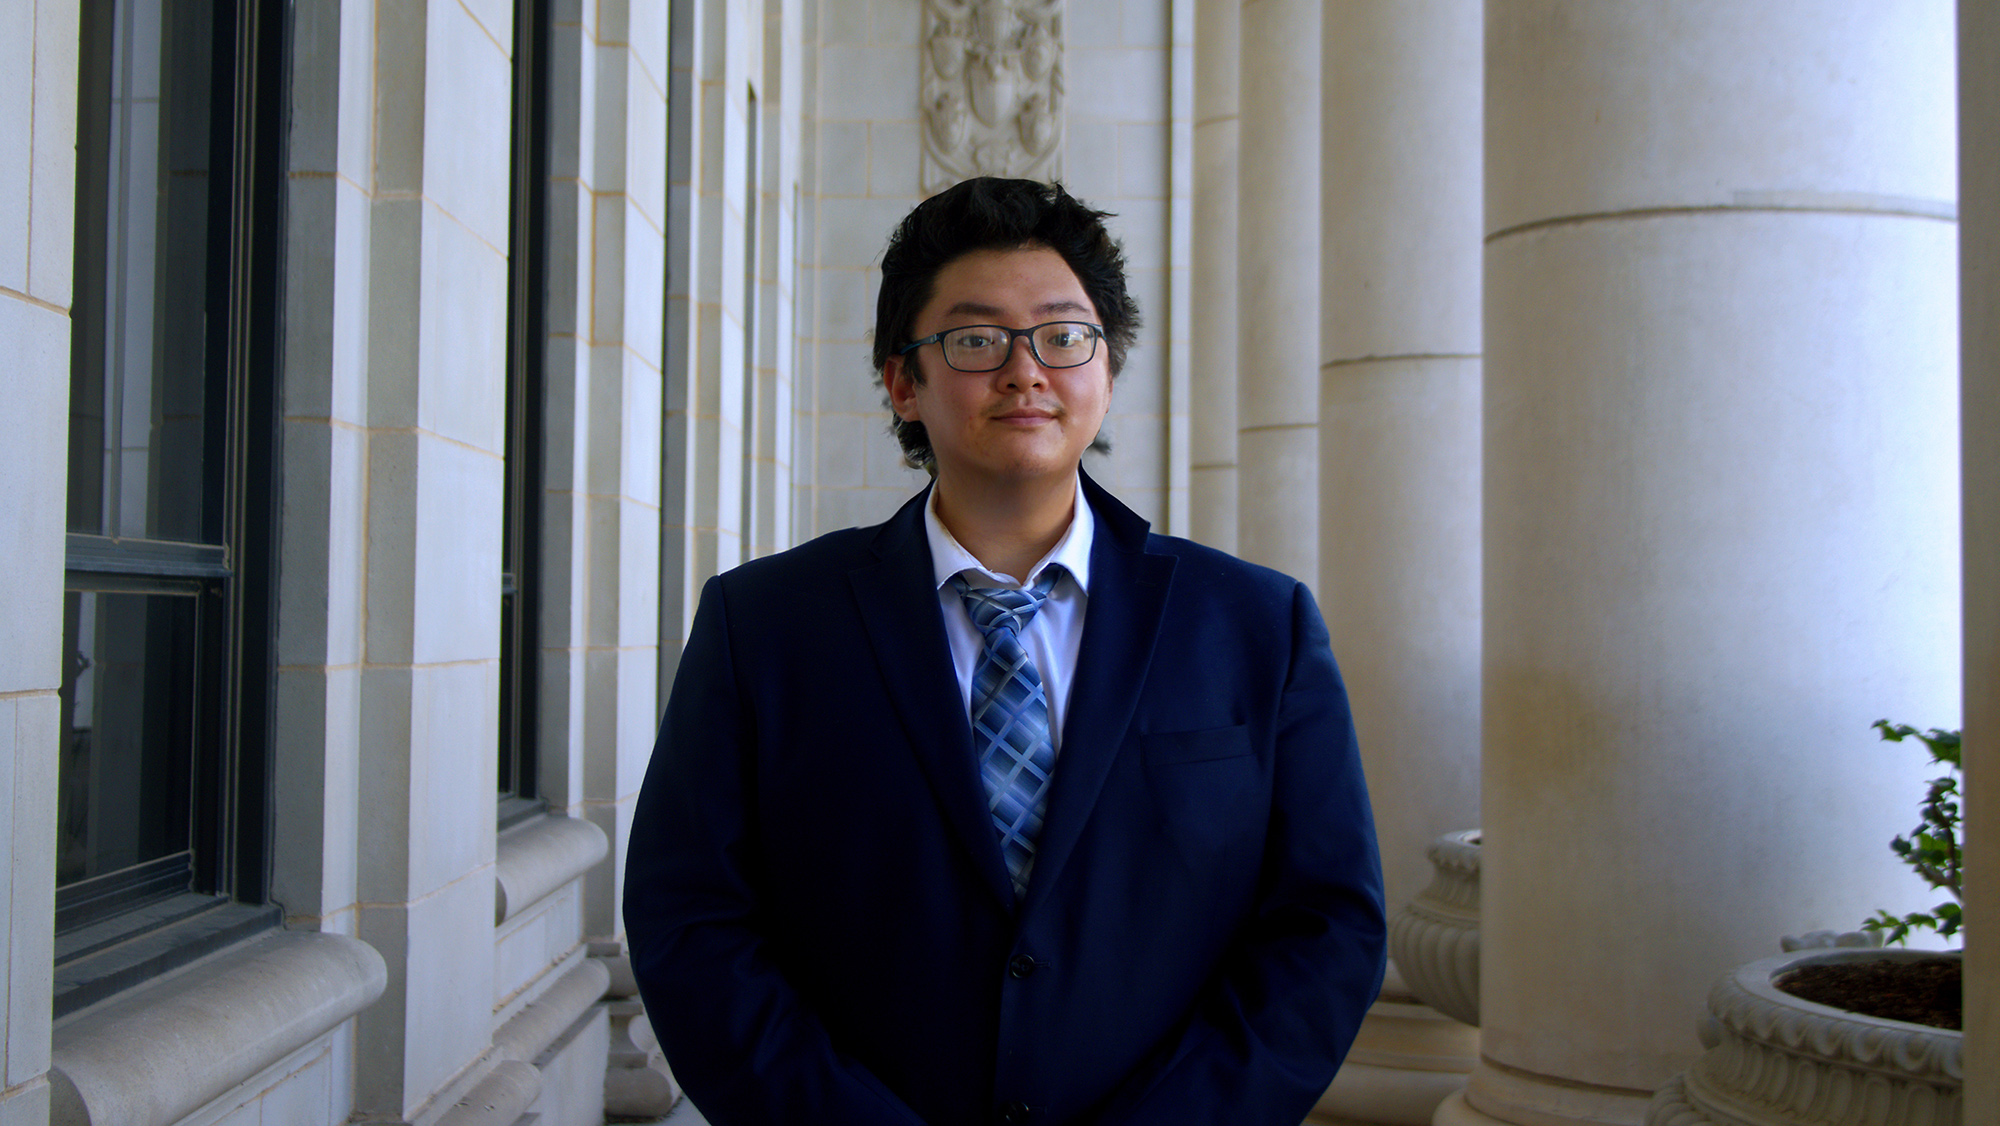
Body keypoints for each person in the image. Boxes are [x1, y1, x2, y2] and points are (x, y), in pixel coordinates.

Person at [623, 176, 1386, 1126]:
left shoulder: (1255, 626)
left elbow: (1326, 925)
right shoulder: (765, 626)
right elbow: (691, 918)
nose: (1027, 371)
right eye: (976, 340)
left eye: (1065, 337)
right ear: (904, 380)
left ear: (1106, 370)